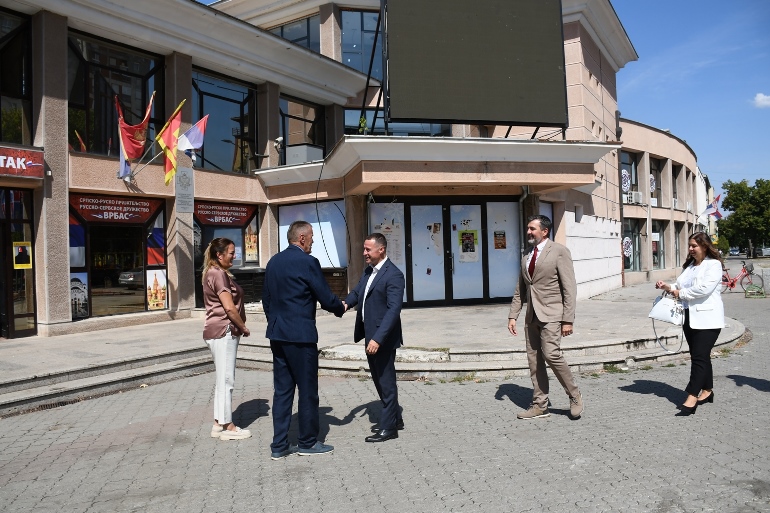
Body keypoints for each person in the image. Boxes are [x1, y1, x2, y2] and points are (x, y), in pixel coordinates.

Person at [263, 221, 345, 459]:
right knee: (308, 391)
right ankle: (307, 443)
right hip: (301, 336)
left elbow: (266, 299)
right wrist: (340, 306)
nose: (313, 241)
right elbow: (325, 296)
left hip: (278, 335)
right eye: (311, 236)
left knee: (282, 391)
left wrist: (276, 322)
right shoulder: (308, 262)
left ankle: (279, 446)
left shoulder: (273, 261)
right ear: (301, 238)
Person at [508, 215, 584, 419]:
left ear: (545, 231)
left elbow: (569, 288)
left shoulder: (559, 251)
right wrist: (513, 315)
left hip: (552, 314)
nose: (528, 232)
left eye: (532, 229)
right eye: (528, 228)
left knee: (551, 354)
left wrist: (568, 319)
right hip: (531, 315)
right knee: (534, 361)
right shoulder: (527, 253)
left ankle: (574, 395)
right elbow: (521, 288)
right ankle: (540, 405)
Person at [344, 233, 405, 443]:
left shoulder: (394, 275)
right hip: (370, 335)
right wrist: (344, 304)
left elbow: (393, 311)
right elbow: (357, 292)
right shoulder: (369, 271)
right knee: (379, 381)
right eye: (364, 249)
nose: (364, 253)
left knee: (386, 383)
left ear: (381, 250)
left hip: (382, 339)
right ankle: (395, 418)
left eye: (368, 249)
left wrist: (378, 339)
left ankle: (389, 428)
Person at [655, 232, 724, 416]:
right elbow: (679, 286)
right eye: (690, 246)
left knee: (699, 358)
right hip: (689, 317)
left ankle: (692, 397)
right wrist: (668, 287)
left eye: (694, 246)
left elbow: (704, 289)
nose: (691, 249)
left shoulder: (714, 265)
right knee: (700, 356)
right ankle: (707, 391)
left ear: (705, 246)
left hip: (708, 320)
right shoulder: (691, 266)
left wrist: (681, 293)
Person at [201, 237, 251, 440]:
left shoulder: (212, 272)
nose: (234, 256)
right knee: (227, 379)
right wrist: (243, 326)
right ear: (219, 255)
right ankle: (228, 426)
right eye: (231, 253)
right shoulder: (219, 275)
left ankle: (217, 424)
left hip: (216, 330)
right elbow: (229, 307)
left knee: (222, 378)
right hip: (224, 330)